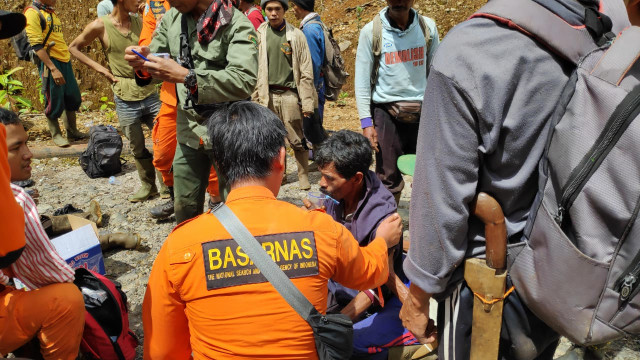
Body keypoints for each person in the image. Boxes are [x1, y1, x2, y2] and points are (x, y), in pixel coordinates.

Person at [398, 1, 629, 360]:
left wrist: (418, 296)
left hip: (485, 280)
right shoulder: (603, 40)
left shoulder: (472, 50)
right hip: (556, 272)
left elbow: (440, 197)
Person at [143, 101, 402, 359]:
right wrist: (381, 241)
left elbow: (162, 351)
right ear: (281, 158)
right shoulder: (321, 229)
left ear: (218, 166)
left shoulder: (179, 246)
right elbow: (372, 273)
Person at [124, 0, 258, 224]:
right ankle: (189, 249)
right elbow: (156, 58)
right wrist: (142, 60)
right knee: (184, 203)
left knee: (235, 205)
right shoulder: (172, 19)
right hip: (189, 128)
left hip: (228, 130)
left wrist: (187, 76)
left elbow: (244, 80)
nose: (170, 2)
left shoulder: (236, 23)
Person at [306, 130, 418, 359]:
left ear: (357, 178)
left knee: (339, 345)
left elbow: (376, 284)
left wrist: (336, 324)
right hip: (338, 283)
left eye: (330, 178)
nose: (322, 184)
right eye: (321, 175)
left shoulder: (382, 216)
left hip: (368, 295)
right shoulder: (337, 195)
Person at [0, 107, 85, 359]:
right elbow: (45, 272)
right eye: (15, 148)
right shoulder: (15, 200)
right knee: (67, 298)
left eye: (26, 144)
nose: (29, 154)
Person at [69, 0, 164, 203]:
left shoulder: (141, 21)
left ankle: (167, 187)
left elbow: (157, 42)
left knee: (163, 139)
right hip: (124, 95)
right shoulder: (100, 25)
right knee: (137, 146)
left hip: (149, 90)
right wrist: (103, 70)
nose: (139, 1)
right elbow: (74, 47)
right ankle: (149, 186)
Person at [138, 0, 222, 220]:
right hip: (172, 96)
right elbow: (148, 46)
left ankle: (217, 203)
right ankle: (178, 198)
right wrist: (143, 58)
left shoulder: (215, 6)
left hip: (208, 95)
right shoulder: (154, 6)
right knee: (164, 155)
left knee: (211, 152)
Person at [354, 0, 438, 203]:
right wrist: (367, 124)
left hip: (422, 112)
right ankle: (390, 228)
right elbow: (362, 80)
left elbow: (437, 73)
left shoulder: (427, 28)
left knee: (427, 176)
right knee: (388, 180)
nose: (399, 1)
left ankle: (422, 229)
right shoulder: (372, 32)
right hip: (386, 113)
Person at [252, 0, 315, 190]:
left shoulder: (296, 35)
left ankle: (303, 174)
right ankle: (281, 174)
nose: (273, 13)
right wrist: (254, 96)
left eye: (277, 9)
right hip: (266, 94)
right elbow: (253, 66)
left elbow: (305, 70)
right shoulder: (259, 34)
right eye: (269, 9)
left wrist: (307, 102)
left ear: (284, 11)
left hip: (289, 94)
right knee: (272, 139)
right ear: (264, 11)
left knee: (297, 137)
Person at [25, 0, 88, 148]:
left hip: (64, 59)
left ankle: (72, 130)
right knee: (53, 97)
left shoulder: (50, 12)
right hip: (50, 61)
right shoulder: (33, 13)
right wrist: (53, 68)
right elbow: (37, 45)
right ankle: (56, 133)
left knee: (72, 96)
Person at [290, 0, 325, 122]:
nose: (292, 9)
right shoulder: (316, 24)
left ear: (302, 6)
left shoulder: (309, 30)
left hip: (314, 86)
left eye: (294, 5)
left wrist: (309, 91)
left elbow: (312, 63)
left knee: (313, 128)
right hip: (318, 83)